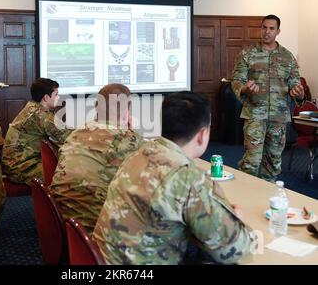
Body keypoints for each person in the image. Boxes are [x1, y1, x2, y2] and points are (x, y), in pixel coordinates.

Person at [93, 91, 256, 265]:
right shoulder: (186, 178)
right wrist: (236, 219)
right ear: (202, 134)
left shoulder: (138, 153)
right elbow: (235, 249)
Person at [49, 84, 142, 234]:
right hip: (94, 227)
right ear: (126, 111)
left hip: (59, 219)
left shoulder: (77, 132)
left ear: (96, 106)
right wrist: (131, 131)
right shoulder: (127, 139)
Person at [231, 14, 305, 182]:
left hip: (278, 118)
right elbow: (237, 81)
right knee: (252, 161)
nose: (267, 32)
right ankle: (244, 195)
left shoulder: (288, 57)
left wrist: (299, 93)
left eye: (271, 28)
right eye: (264, 27)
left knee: (273, 162)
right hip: (254, 114)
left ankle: (267, 198)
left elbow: (295, 84)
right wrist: (245, 88)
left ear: (278, 31)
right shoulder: (247, 54)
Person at [2, 78, 69, 186]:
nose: (58, 97)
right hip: (22, 168)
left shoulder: (33, 108)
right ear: (46, 98)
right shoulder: (42, 116)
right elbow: (67, 138)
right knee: (67, 175)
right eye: (56, 94)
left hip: (15, 163)